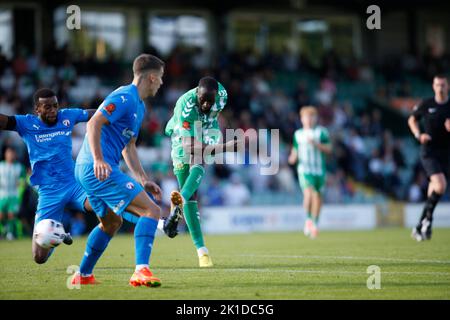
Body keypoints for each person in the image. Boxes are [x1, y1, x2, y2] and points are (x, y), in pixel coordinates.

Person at [71, 54, 183, 287]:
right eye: (160, 78)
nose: (162, 83)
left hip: (91, 169)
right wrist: (99, 159)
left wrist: (143, 179)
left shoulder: (139, 107)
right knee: (151, 210)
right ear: (151, 77)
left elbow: (128, 146)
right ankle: (141, 271)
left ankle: (82, 276)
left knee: (111, 223)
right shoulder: (124, 96)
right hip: (97, 169)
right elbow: (93, 123)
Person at [0, 88, 97, 263]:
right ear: (37, 109)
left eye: (55, 106)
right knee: (39, 257)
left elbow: (94, 114)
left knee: (102, 203)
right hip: (49, 192)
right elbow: (4, 121)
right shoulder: (26, 124)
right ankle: (57, 235)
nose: (53, 110)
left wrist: (115, 109)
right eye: (47, 107)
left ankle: (154, 222)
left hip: (74, 184)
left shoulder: (67, 116)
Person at [164, 76, 238, 267]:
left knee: (200, 160)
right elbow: (190, 147)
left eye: (210, 102)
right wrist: (226, 147)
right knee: (191, 192)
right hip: (183, 135)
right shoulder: (185, 106)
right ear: (197, 93)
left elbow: (214, 117)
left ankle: (201, 251)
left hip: (207, 128)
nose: (206, 104)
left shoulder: (222, 96)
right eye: (203, 100)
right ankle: (201, 250)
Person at [408, 74, 450, 241]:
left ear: (448, 87)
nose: (440, 88)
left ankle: (421, 225)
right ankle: (428, 220)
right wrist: (419, 135)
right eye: (437, 85)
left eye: (443, 85)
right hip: (429, 151)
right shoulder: (426, 104)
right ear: (433, 86)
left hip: (446, 153)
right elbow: (412, 120)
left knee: (434, 188)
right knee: (440, 186)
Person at [288, 106, 332, 239]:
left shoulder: (321, 132)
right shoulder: (298, 134)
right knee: (309, 193)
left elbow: (329, 149)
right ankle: (308, 220)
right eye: (306, 117)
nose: (309, 119)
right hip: (305, 169)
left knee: (318, 196)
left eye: (311, 116)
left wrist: (316, 144)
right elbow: (295, 151)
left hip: (319, 170)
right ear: (302, 119)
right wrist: (292, 158)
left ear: (315, 118)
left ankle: (315, 223)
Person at [0, 146, 26, 240]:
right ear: (5, 154)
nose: (10, 155)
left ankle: (10, 233)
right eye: (8, 153)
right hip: (2, 194)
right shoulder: (1, 165)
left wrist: (21, 183)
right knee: (1, 215)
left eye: (12, 153)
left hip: (14, 195)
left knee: (11, 214)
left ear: (14, 155)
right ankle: (4, 230)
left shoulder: (19, 167)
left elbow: (23, 180)